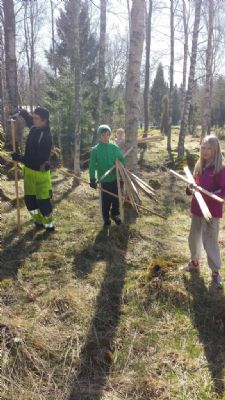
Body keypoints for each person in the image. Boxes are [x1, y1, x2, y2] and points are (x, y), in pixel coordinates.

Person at [185, 135, 225, 288]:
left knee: (210, 242)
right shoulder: (199, 165)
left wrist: (213, 194)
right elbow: (194, 184)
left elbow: (223, 189)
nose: (205, 151)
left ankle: (215, 273)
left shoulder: (220, 168)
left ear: (215, 149)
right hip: (197, 209)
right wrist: (190, 189)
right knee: (193, 238)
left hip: (211, 212)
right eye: (203, 148)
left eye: (209, 148)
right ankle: (194, 262)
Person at [11, 107, 55, 232]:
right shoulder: (34, 127)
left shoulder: (46, 136)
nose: (33, 120)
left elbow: (38, 160)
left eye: (36, 118)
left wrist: (19, 158)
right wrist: (19, 112)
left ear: (44, 120)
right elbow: (27, 117)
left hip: (41, 173)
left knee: (43, 202)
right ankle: (38, 221)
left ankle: (49, 225)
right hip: (29, 173)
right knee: (30, 201)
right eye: (34, 117)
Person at [89, 124, 125, 227]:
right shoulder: (95, 150)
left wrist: (119, 170)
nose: (106, 137)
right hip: (103, 180)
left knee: (116, 199)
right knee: (105, 202)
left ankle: (115, 215)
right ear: (99, 136)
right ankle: (106, 219)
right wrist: (92, 178)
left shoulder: (114, 147)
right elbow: (92, 165)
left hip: (115, 178)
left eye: (107, 134)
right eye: (103, 135)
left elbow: (121, 159)